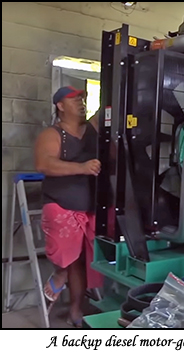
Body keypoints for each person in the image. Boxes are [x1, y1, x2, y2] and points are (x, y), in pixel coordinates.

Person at [34, 86, 103, 327]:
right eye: (74, 100)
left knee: (83, 261)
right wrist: (82, 168)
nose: (81, 103)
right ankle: (60, 273)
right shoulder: (52, 134)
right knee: (67, 259)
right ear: (60, 106)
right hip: (62, 206)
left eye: (82, 99)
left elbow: (111, 106)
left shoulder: (93, 129)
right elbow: (44, 164)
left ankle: (76, 309)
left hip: (91, 207)